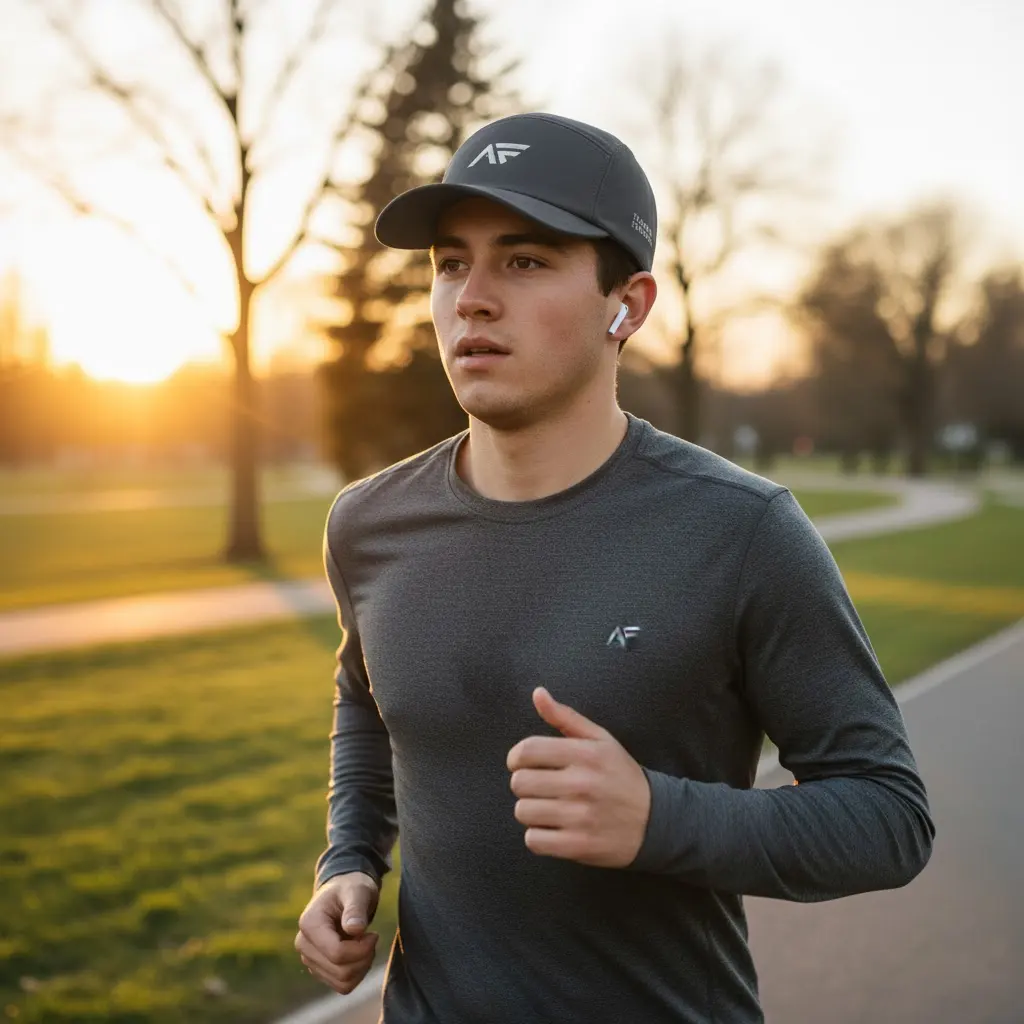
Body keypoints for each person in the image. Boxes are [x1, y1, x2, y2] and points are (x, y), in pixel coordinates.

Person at [294, 112, 934, 1023]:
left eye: (523, 261)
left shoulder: (741, 531)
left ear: (626, 305)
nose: (470, 297)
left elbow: (888, 819)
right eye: (448, 263)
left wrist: (660, 819)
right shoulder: (368, 523)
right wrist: (350, 860)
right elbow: (367, 698)